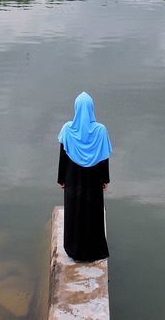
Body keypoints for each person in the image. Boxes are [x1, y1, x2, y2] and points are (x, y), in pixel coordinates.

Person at [56, 91, 111, 261]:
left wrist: (62, 179)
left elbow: (63, 156)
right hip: (93, 181)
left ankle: (74, 250)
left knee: (74, 213)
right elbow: (103, 158)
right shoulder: (101, 131)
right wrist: (104, 180)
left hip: (73, 180)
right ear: (92, 108)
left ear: (76, 108)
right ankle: (93, 251)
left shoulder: (67, 129)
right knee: (92, 214)